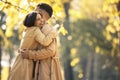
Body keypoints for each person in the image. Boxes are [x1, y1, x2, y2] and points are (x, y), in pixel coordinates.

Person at [8, 11, 57, 80]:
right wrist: (53, 34)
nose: (41, 21)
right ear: (32, 21)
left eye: (41, 18)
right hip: (25, 63)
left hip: (19, 61)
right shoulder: (35, 30)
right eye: (38, 19)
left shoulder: (27, 30)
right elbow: (45, 42)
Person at [20, 3, 63, 80]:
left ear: (41, 13)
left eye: (36, 11)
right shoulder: (35, 28)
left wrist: (30, 54)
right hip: (35, 68)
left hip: (46, 70)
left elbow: (50, 51)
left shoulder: (48, 30)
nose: (34, 14)